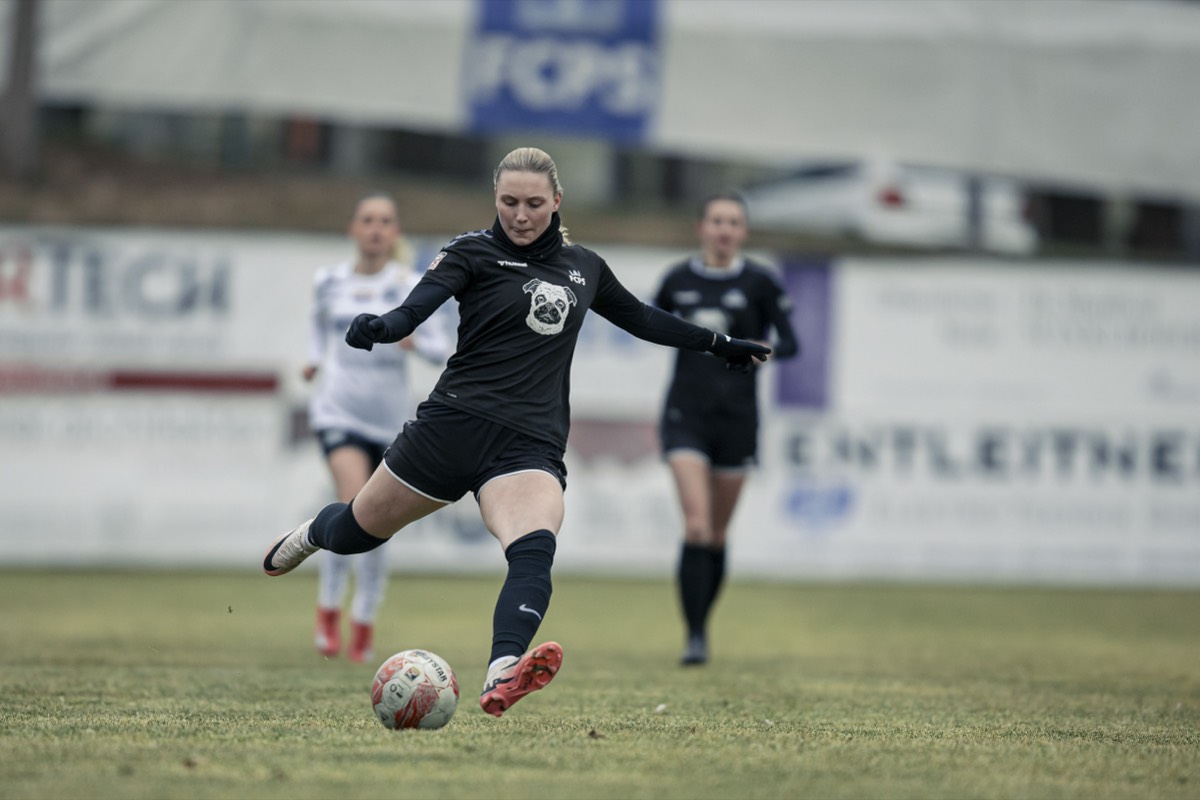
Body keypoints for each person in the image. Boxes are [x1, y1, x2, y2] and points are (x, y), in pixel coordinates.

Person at [263, 147, 771, 718]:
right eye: (509, 202)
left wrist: (720, 344)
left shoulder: (585, 267)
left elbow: (644, 319)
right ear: (495, 199)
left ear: (557, 201)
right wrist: (381, 327)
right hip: (451, 429)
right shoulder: (470, 252)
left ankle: (503, 669)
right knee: (357, 531)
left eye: (533, 203)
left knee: (533, 551)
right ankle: (312, 533)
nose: (521, 215)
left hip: (529, 444)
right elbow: (415, 309)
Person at [302, 193, 451, 663]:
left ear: (395, 233)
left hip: (388, 420)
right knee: (352, 508)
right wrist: (313, 360)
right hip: (338, 411)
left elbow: (440, 348)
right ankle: (329, 610)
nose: (375, 228)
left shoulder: (409, 284)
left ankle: (364, 620)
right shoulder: (328, 281)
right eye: (367, 220)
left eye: (385, 221)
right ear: (353, 229)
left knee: (376, 523)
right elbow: (317, 328)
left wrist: (414, 343)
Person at [652, 191, 800, 666]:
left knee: (716, 534)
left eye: (733, 222)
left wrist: (756, 349)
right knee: (696, 526)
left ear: (744, 232)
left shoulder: (760, 282)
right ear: (701, 227)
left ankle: (703, 623)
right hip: (685, 414)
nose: (724, 229)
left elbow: (791, 343)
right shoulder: (677, 279)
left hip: (737, 418)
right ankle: (694, 636)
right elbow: (653, 324)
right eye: (716, 220)